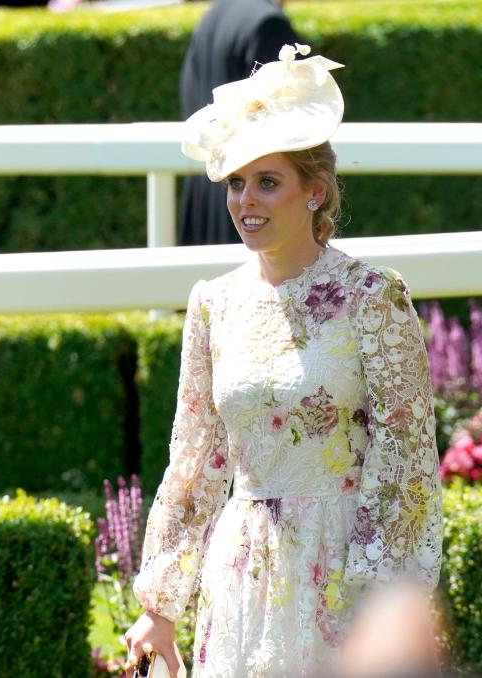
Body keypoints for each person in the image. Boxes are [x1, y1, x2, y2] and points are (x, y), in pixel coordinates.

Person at [124, 44, 443, 678]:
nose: (247, 200)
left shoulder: (373, 296)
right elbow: (196, 461)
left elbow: (405, 457)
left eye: (268, 182)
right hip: (241, 575)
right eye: (237, 183)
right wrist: (159, 605)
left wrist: (383, 601)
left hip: (345, 570)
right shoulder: (212, 304)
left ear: (314, 192)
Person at [178, 0, 299, 245]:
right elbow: (283, 122)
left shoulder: (214, 14)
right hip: (252, 202)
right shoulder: (268, 24)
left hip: (208, 195)